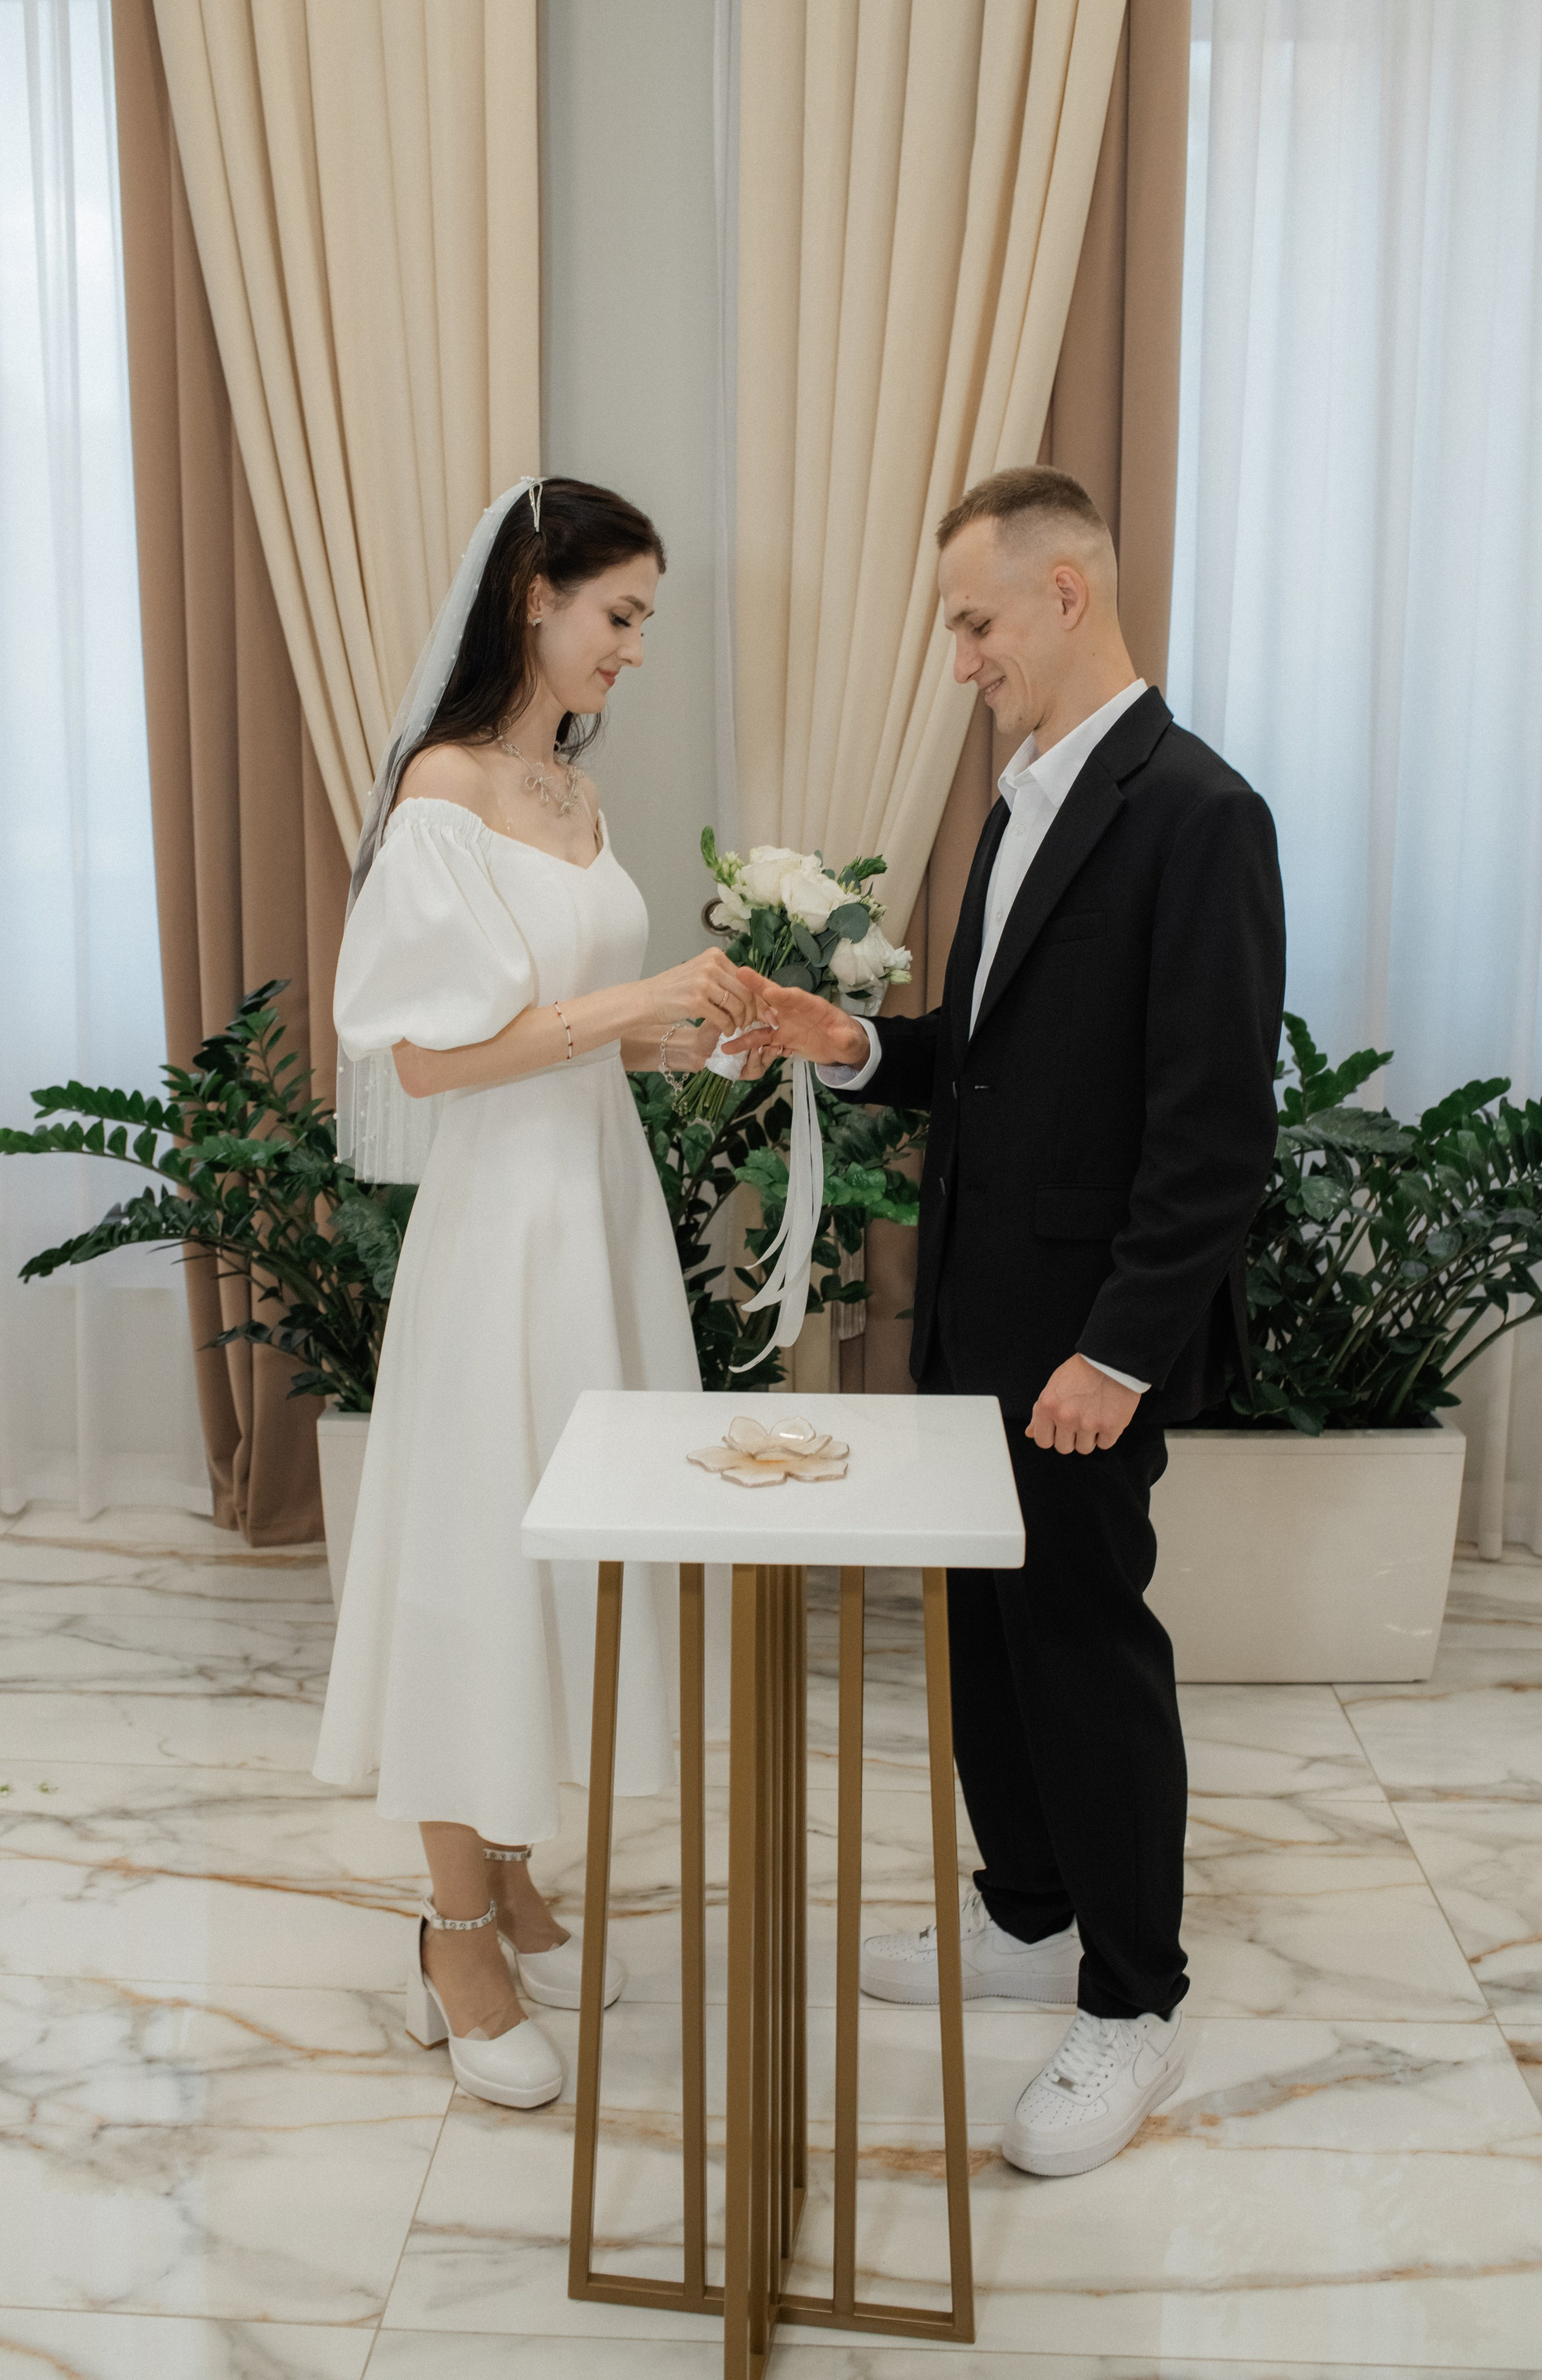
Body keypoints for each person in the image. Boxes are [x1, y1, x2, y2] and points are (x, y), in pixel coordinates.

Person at [729, 464, 1285, 2178]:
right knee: (980, 1631)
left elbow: (1212, 1131)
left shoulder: (1201, 813)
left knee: (1082, 1644)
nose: (959, 657)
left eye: (974, 622)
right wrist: (851, 1043)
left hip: (1081, 1347)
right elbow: (985, 1062)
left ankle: (1133, 1997)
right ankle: (1030, 1910)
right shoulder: (1020, 797)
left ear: (1065, 593)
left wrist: (1116, 1352)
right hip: (975, 1318)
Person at [314, 477, 760, 2111]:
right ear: (534, 596)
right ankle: (450, 1935)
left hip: (598, 1208)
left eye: (644, 619)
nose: (634, 648)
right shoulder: (444, 792)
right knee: (475, 1550)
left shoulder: (571, 792)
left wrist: (698, 1037)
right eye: (619, 613)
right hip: (503, 1227)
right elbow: (434, 1062)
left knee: (564, 1546)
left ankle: (507, 1876)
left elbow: (570, 1030)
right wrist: (632, 1005)